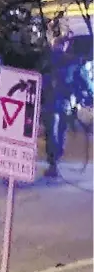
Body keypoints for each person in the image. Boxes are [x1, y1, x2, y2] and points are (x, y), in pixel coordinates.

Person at [42, 34, 94, 178]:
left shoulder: (47, 60)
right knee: (58, 132)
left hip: (51, 103)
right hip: (61, 104)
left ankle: (53, 163)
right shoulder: (72, 62)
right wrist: (89, 95)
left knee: (53, 133)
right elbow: (84, 82)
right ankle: (54, 162)